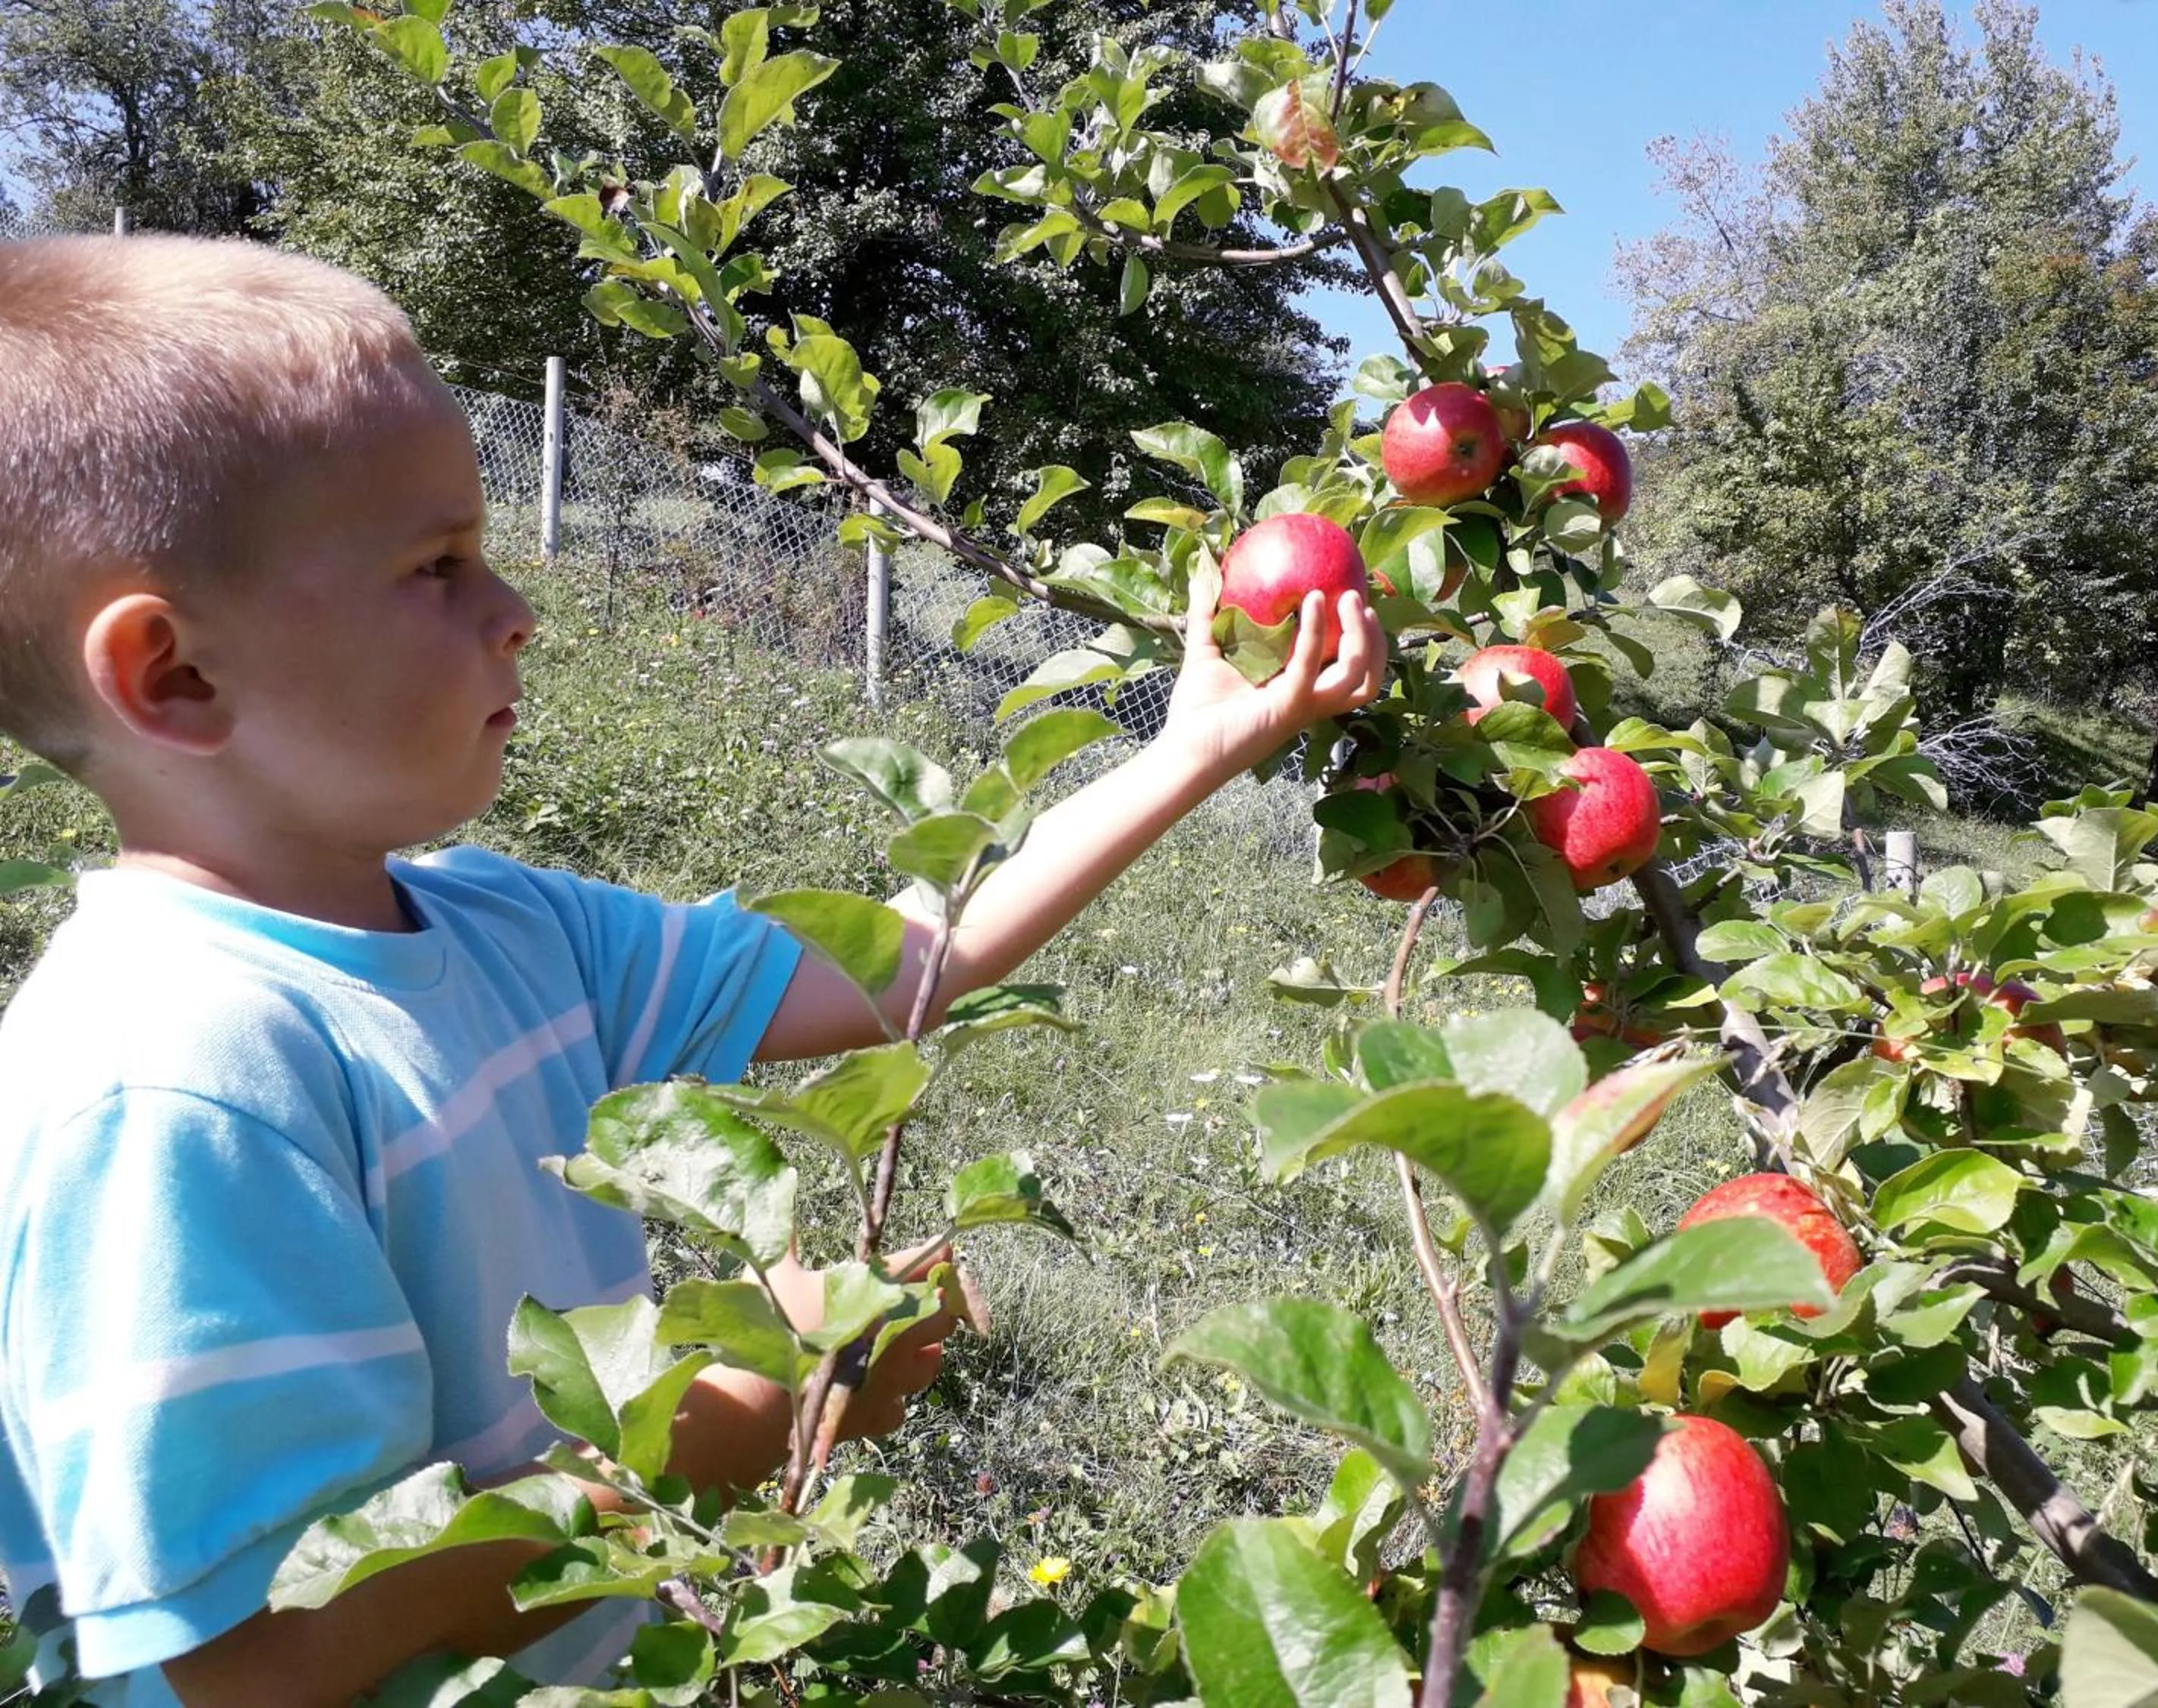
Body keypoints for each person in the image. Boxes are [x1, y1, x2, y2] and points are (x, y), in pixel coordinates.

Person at [0, 233, 1386, 1706]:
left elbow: (907, 965)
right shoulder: (177, 1086)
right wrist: (726, 1421)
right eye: (436, 566)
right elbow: (223, 1671)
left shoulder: (506, 931)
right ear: (176, 676)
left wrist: (1191, 752)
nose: (514, 609)